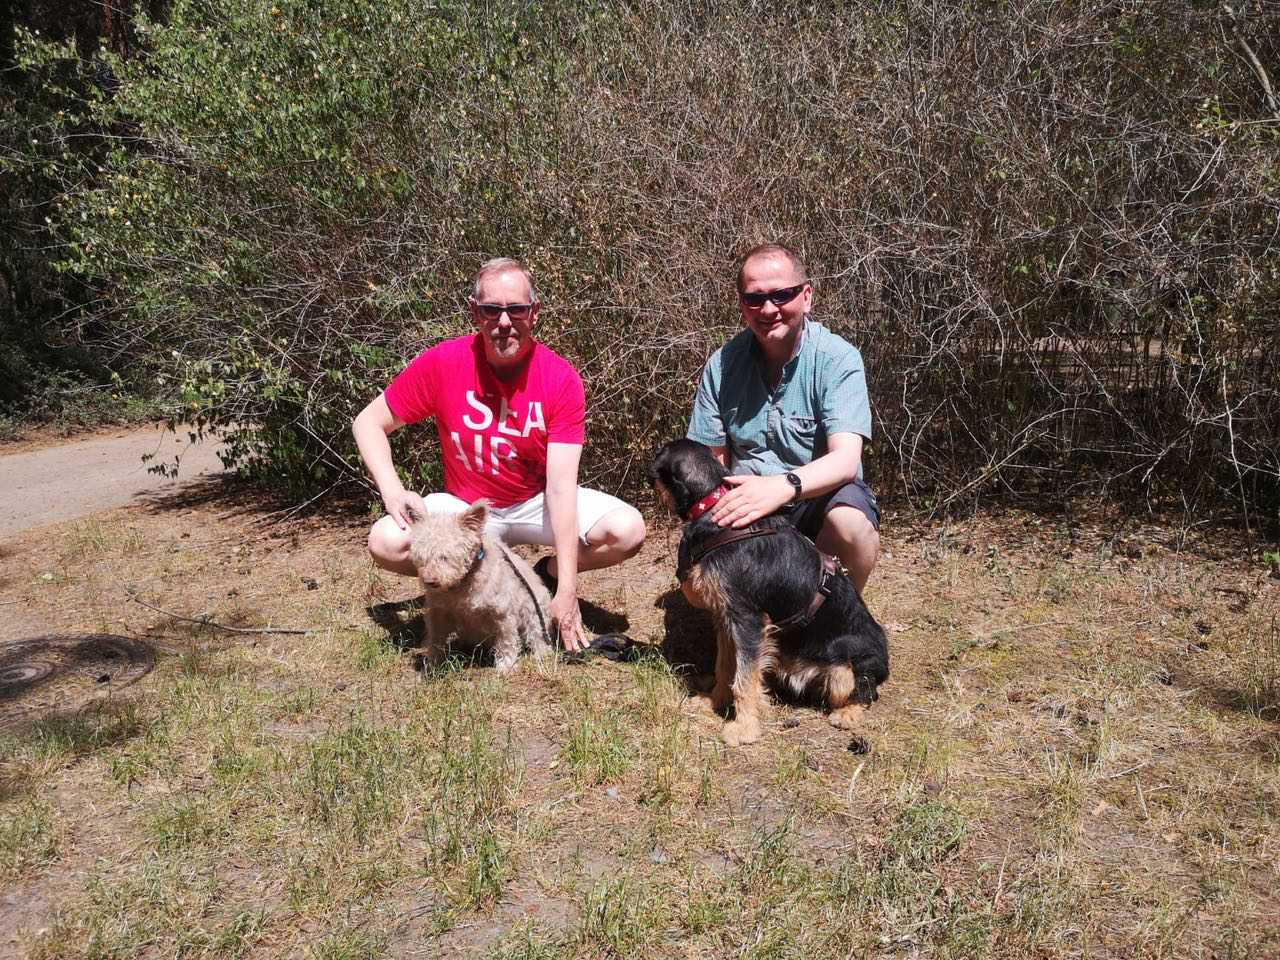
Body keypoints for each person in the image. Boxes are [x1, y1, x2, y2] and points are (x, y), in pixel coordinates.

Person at [352, 257, 646, 651]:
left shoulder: (559, 378)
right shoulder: (445, 362)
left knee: (627, 530)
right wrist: (392, 491)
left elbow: (561, 488)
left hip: (535, 502)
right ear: (475, 312)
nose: (504, 321)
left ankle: (545, 575)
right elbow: (368, 423)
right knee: (385, 541)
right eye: (492, 309)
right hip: (468, 510)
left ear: (534, 313)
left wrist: (567, 591)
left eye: (516, 309)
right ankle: (462, 591)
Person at [687, 243, 880, 593]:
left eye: (781, 295)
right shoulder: (721, 366)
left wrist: (781, 487)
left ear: (806, 297)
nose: (768, 309)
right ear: (742, 306)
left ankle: (832, 610)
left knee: (852, 527)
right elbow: (710, 467)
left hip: (815, 502)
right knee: (695, 589)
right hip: (748, 507)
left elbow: (846, 461)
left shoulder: (837, 359)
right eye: (754, 299)